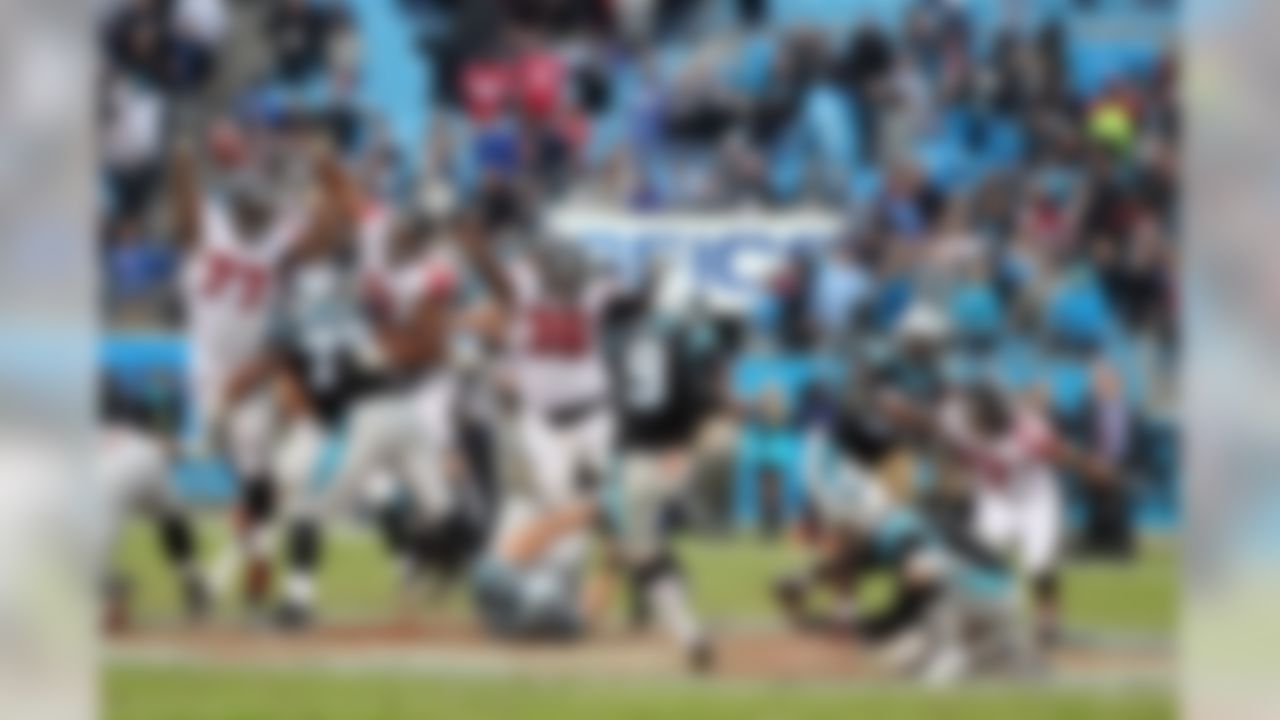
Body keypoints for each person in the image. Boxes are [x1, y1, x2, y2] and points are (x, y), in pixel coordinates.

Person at [97, 377, 209, 631]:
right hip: (143, 460)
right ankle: (192, 579)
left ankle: (111, 592)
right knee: (172, 516)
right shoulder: (136, 437)